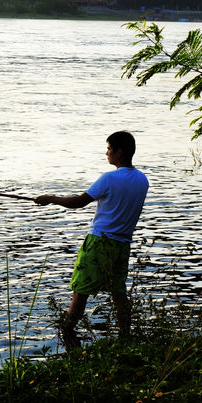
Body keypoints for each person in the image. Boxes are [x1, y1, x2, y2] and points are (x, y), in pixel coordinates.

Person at [35, 131, 149, 349]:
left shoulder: (109, 178)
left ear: (119, 151)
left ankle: (67, 333)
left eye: (109, 148)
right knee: (118, 292)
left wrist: (51, 199)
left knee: (81, 290)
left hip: (99, 242)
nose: (106, 153)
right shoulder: (142, 180)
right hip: (123, 244)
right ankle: (126, 337)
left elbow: (79, 202)